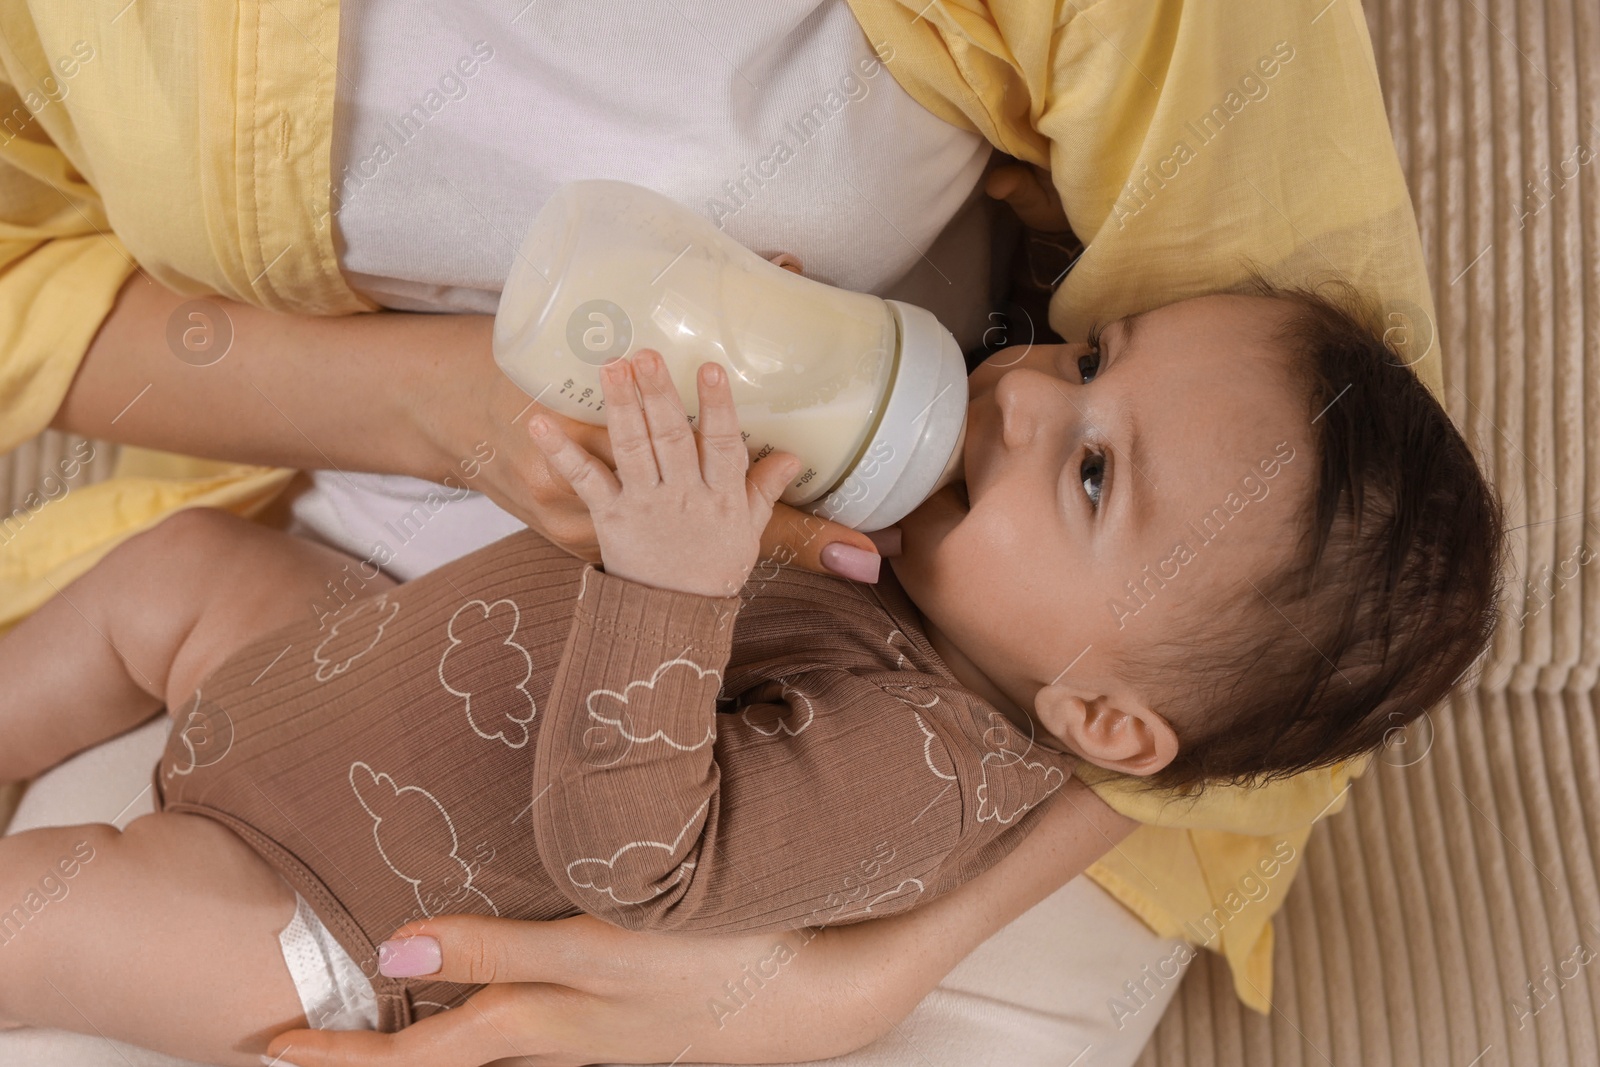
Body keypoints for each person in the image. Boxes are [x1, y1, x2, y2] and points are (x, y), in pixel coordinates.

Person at [0, 1, 1450, 1064]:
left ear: (1103, 713)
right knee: (182, 577)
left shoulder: (919, 770)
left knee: (50, 921)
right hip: (351, 677)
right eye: (1082, 359)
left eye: (1084, 475)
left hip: (333, 904)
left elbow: (635, 864)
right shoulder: (924, 569)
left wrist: (671, 587)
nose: (1011, 397)